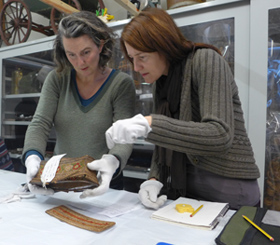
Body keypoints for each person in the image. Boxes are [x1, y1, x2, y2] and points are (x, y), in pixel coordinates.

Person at [105, 7, 261, 210]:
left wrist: (150, 123)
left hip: (228, 188)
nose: (136, 67)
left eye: (142, 57)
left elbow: (220, 134)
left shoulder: (206, 61)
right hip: (184, 189)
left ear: (165, 47)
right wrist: (154, 177)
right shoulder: (160, 82)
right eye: (132, 58)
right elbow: (164, 143)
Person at [22, 11, 135, 198]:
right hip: (60, 181)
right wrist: (32, 156)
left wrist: (112, 162)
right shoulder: (57, 79)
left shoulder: (120, 84)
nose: (79, 62)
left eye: (86, 52)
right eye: (71, 55)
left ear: (100, 44)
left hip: (103, 184)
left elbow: (124, 137)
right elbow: (40, 123)